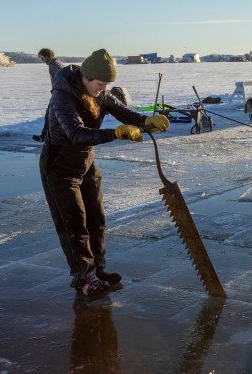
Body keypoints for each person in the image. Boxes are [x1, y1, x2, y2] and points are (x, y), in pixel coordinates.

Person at [40, 48, 170, 296]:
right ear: (86, 78)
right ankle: (84, 277)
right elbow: (76, 134)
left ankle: (98, 270)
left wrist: (145, 122)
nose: (103, 88)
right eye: (100, 84)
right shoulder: (63, 97)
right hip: (59, 165)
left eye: (106, 84)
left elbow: (124, 112)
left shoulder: (99, 93)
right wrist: (115, 133)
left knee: (96, 219)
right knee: (74, 223)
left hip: (86, 162)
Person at [34, 48, 66, 142]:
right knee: (52, 116)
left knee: (50, 116)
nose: (41, 59)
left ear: (47, 56)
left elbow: (61, 80)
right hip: (60, 94)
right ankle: (45, 136)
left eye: (41, 57)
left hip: (60, 95)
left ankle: (45, 137)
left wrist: (56, 91)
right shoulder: (56, 63)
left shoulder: (54, 65)